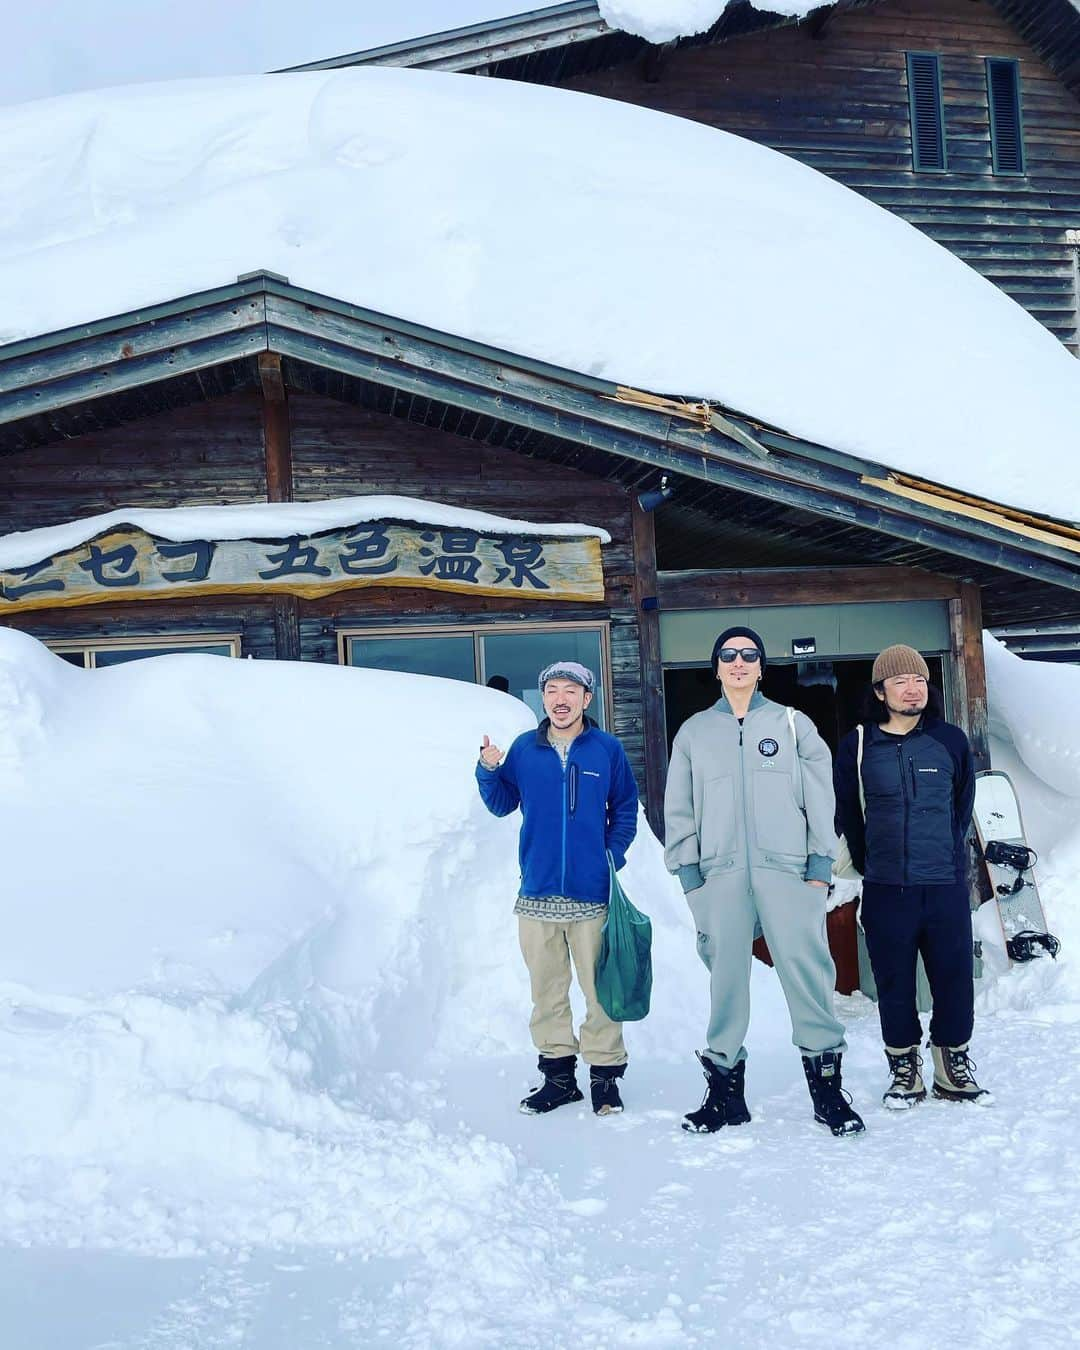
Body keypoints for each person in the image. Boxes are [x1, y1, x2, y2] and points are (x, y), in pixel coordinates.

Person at [664, 628, 865, 1138]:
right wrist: (689, 873)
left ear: (760, 667)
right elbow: (679, 808)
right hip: (720, 873)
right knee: (725, 977)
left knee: (808, 973)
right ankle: (725, 1094)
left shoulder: (793, 725)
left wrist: (821, 861)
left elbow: (823, 798)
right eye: (728, 655)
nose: (738, 662)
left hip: (789, 870)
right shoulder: (692, 734)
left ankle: (827, 1093)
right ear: (716, 667)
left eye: (748, 655)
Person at [476, 661, 639, 1117]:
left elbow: (625, 806)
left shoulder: (606, 749)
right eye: (552, 690)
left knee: (600, 991)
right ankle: (559, 1079)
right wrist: (489, 771)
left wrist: (612, 855)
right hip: (537, 892)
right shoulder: (526, 750)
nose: (561, 698)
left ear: (588, 699)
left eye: (571, 690)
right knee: (547, 992)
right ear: (543, 698)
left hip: (592, 893)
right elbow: (502, 804)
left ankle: (605, 1079)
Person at [834, 645, 990, 1107]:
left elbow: (962, 808)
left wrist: (944, 856)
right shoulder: (858, 744)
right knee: (894, 983)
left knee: (954, 980)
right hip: (886, 888)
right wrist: (873, 864)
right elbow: (849, 814)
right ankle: (905, 1070)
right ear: (881, 691)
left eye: (919, 680)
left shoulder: (951, 741)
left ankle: (951, 1066)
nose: (912, 689)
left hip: (943, 886)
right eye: (901, 681)